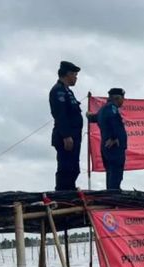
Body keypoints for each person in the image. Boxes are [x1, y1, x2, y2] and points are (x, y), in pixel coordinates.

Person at [49, 61, 83, 190]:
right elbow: (60, 114)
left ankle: (69, 191)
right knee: (66, 168)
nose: (76, 78)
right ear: (68, 74)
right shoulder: (58, 91)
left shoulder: (68, 91)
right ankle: (63, 195)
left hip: (74, 136)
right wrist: (66, 135)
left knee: (74, 168)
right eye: (74, 74)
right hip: (66, 137)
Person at [96, 88, 127, 190]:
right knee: (115, 172)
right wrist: (114, 137)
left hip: (108, 146)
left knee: (111, 172)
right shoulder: (111, 108)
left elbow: (95, 118)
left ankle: (111, 193)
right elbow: (112, 121)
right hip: (114, 146)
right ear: (118, 98)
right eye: (123, 98)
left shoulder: (104, 108)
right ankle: (113, 195)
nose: (123, 101)